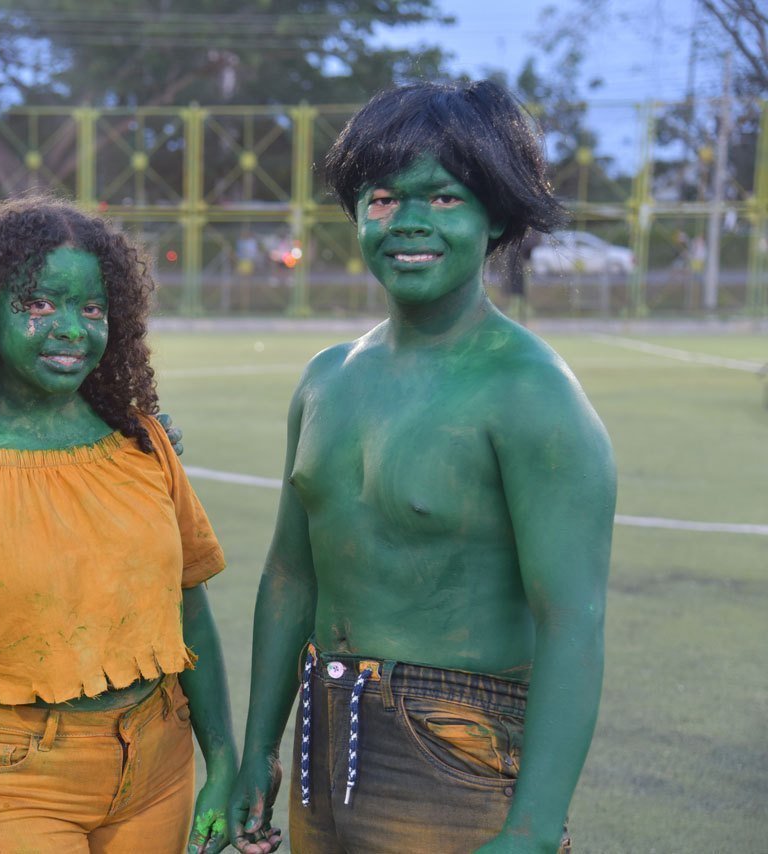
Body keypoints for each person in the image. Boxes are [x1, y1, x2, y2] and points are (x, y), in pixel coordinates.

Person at [227, 81, 617, 854]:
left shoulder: (531, 392)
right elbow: (289, 577)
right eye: (381, 198)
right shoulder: (326, 378)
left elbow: (573, 619)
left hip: (456, 751)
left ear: (496, 214)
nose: (407, 222)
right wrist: (255, 753)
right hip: (322, 737)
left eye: (442, 197)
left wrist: (533, 831)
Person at [0, 195, 237, 854]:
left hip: (157, 764)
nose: (71, 329)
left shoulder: (141, 442)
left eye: (92, 308)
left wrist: (222, 761)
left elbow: (187, 609)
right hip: (8, 778)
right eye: (37, 305)